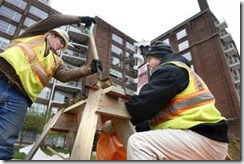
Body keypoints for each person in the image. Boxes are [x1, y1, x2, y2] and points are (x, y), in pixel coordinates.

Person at [0, 13, 103, 160]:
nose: (61, 45)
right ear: (51, 34)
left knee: (4, 145)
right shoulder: (34, 34)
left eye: (64, 45)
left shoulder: (56, 61)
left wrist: (89, 69)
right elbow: (54, 19)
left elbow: (65, 75)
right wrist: (79, 19)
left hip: (19, 98)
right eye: (61, 40)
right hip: (1, 77)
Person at [124, 41, 229, 160]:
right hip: (206, 138)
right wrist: (138, 127)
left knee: (139, 143)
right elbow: (155, 115)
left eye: (150, 59)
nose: (148, 64)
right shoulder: (179, 72)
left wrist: (120, 115)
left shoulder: (170, 70)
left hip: (202, 136)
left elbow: (142, 105)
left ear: (158, 56)